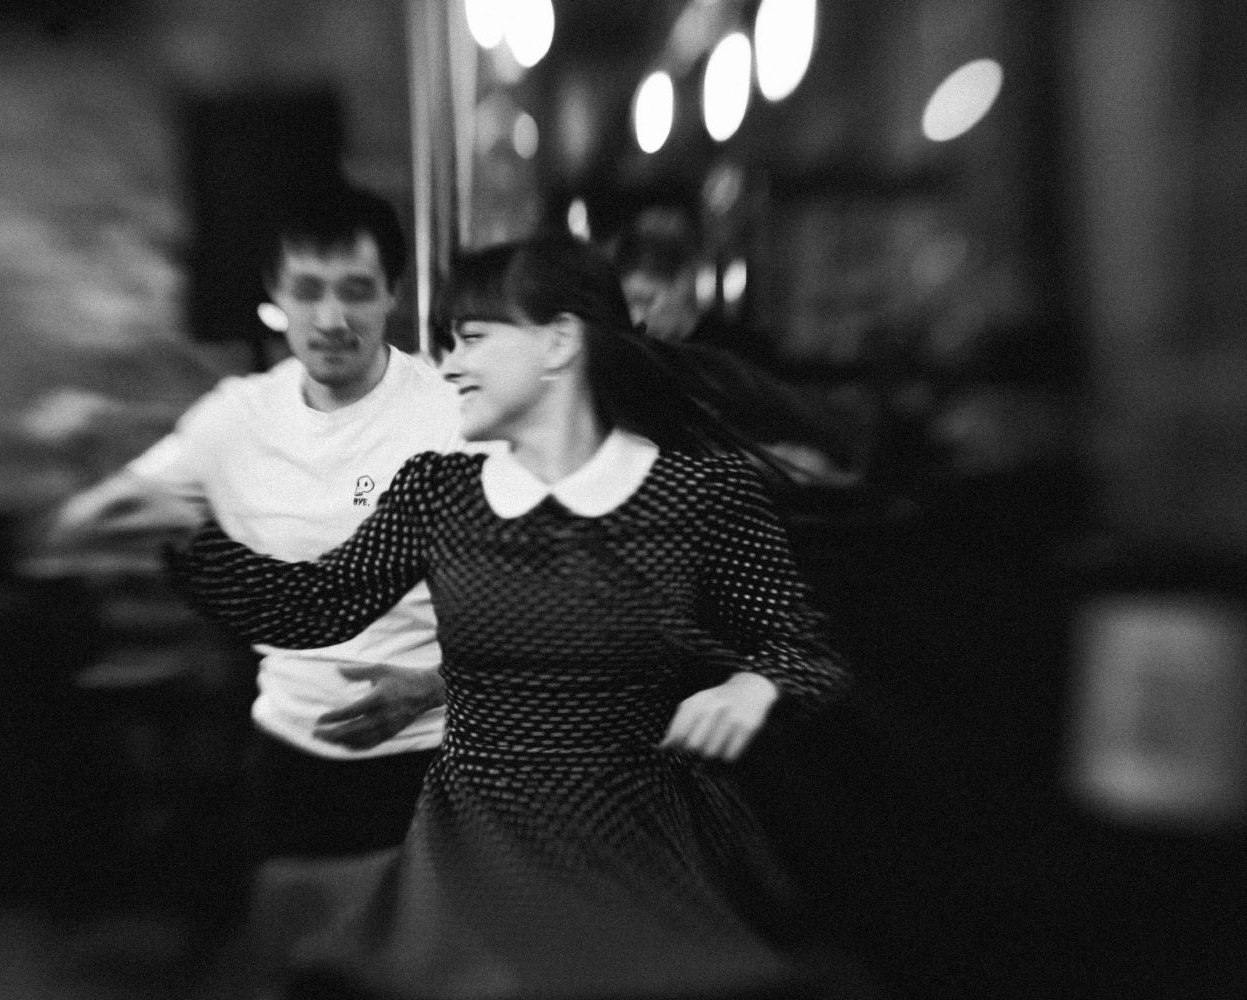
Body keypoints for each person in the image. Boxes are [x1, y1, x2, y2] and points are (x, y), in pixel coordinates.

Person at [164, 233, 861, 999]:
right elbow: (307, 608)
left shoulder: (703, 495)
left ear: (558, 342)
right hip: (472, 852)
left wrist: (753, 687)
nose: (449, 366)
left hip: (643, 845)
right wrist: (181, 537)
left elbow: (805, 651)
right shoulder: (438, 492)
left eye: (472, 340)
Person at [46, 184, 462, 865]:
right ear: (277, 295)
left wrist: (433, 687)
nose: (331, 318)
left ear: (393, 293)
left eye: (356, 291)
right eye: (308, 291)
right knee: (294, 927)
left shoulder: (453, 418)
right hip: (287, 756)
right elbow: (101, 512)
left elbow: (539, 613)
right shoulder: (237, 414)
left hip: (432, 757)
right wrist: (98, 501)